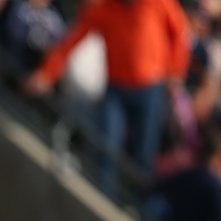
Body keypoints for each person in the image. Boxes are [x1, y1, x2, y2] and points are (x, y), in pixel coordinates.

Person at [23, 0, 191, 197]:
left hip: (150, 89)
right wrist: (46, 74)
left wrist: (176, 69)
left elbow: (180, 31)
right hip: (116, 88)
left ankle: (139, 206)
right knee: (106, 147)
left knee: (144, 155)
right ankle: (105, 197)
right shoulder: (103, 9)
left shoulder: (157, 3)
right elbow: (71, 42)